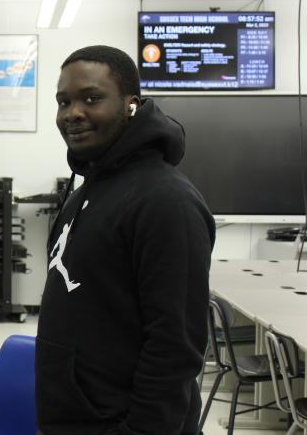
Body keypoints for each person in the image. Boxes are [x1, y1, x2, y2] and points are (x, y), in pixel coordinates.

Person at [36, 45, 215, 435]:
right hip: (71, 421)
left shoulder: (166, 201)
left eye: (91, 98)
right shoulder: (83, 196)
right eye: (63, 102)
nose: (72, 113)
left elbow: (175, 347)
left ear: (131, 105)